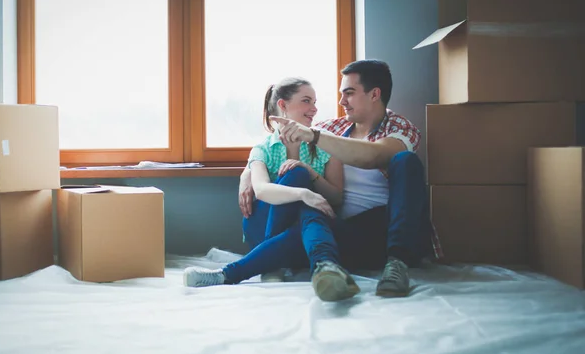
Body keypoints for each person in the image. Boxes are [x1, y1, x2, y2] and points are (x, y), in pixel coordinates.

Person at [239, 60, 444, 297]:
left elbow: (372, 156)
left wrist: (314, 137)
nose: (341, 102)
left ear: (374, 94)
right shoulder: (332, 128)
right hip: (343, 228)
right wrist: (247, 174)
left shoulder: (399, 127)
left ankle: (397, 263)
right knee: (308, 222)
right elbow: (269, 146)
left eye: (349, 93)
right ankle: (302, 267)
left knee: (406, 161)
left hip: (383, 227)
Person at [183, 77, 361, 302]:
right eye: (306, 101)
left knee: (308, 203)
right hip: (264, 224)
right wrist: (304, 193)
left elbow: (336, 197)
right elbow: (262, 190)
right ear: (283, 106)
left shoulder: (325, 143)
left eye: (315, 102)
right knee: (299, 181)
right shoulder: (263, 148)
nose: (314, 109)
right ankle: (311, 264)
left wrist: (309, 172)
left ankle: (231, 274)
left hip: (305, 232)